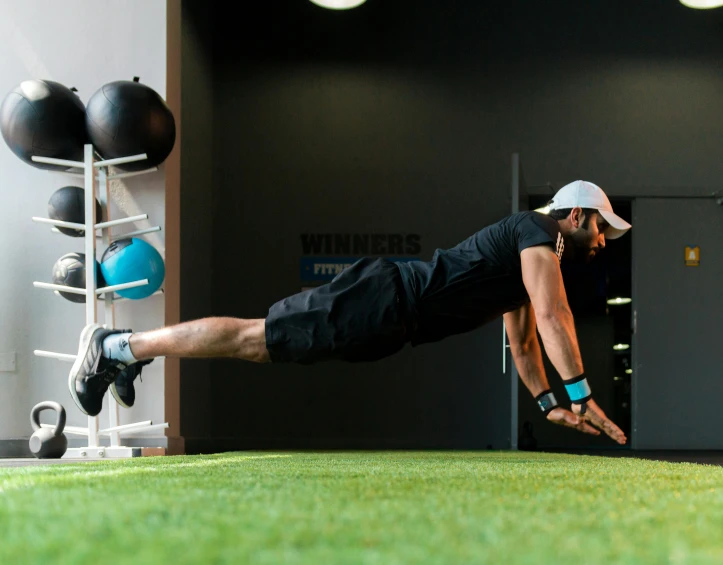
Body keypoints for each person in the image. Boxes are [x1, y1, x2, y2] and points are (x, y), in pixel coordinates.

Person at [68, 180, 631, 444]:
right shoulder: (537, 233)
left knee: (262, 344)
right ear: (577, 215)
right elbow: (555, 318)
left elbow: (528, 341)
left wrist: (548, 402)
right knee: (255, 340)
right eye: (603, 226)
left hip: (390, 318)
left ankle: (124, 352)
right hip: (386, 298)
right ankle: (116, 348)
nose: (605, 239)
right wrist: (582, 397)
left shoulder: (531, 263)